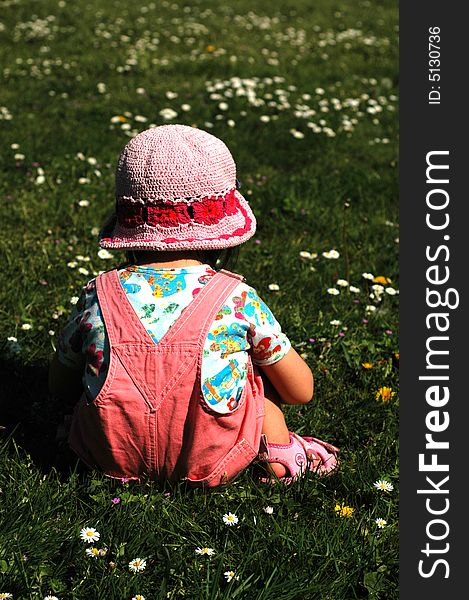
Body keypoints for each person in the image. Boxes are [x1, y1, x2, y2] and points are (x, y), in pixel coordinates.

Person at [48, 124, 338, 487]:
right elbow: (302, 391)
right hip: (215, 458)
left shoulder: (98, 295)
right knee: (259, 387)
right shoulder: (236, 299)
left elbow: (59, 386)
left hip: (108, 456)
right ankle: (278, 455)